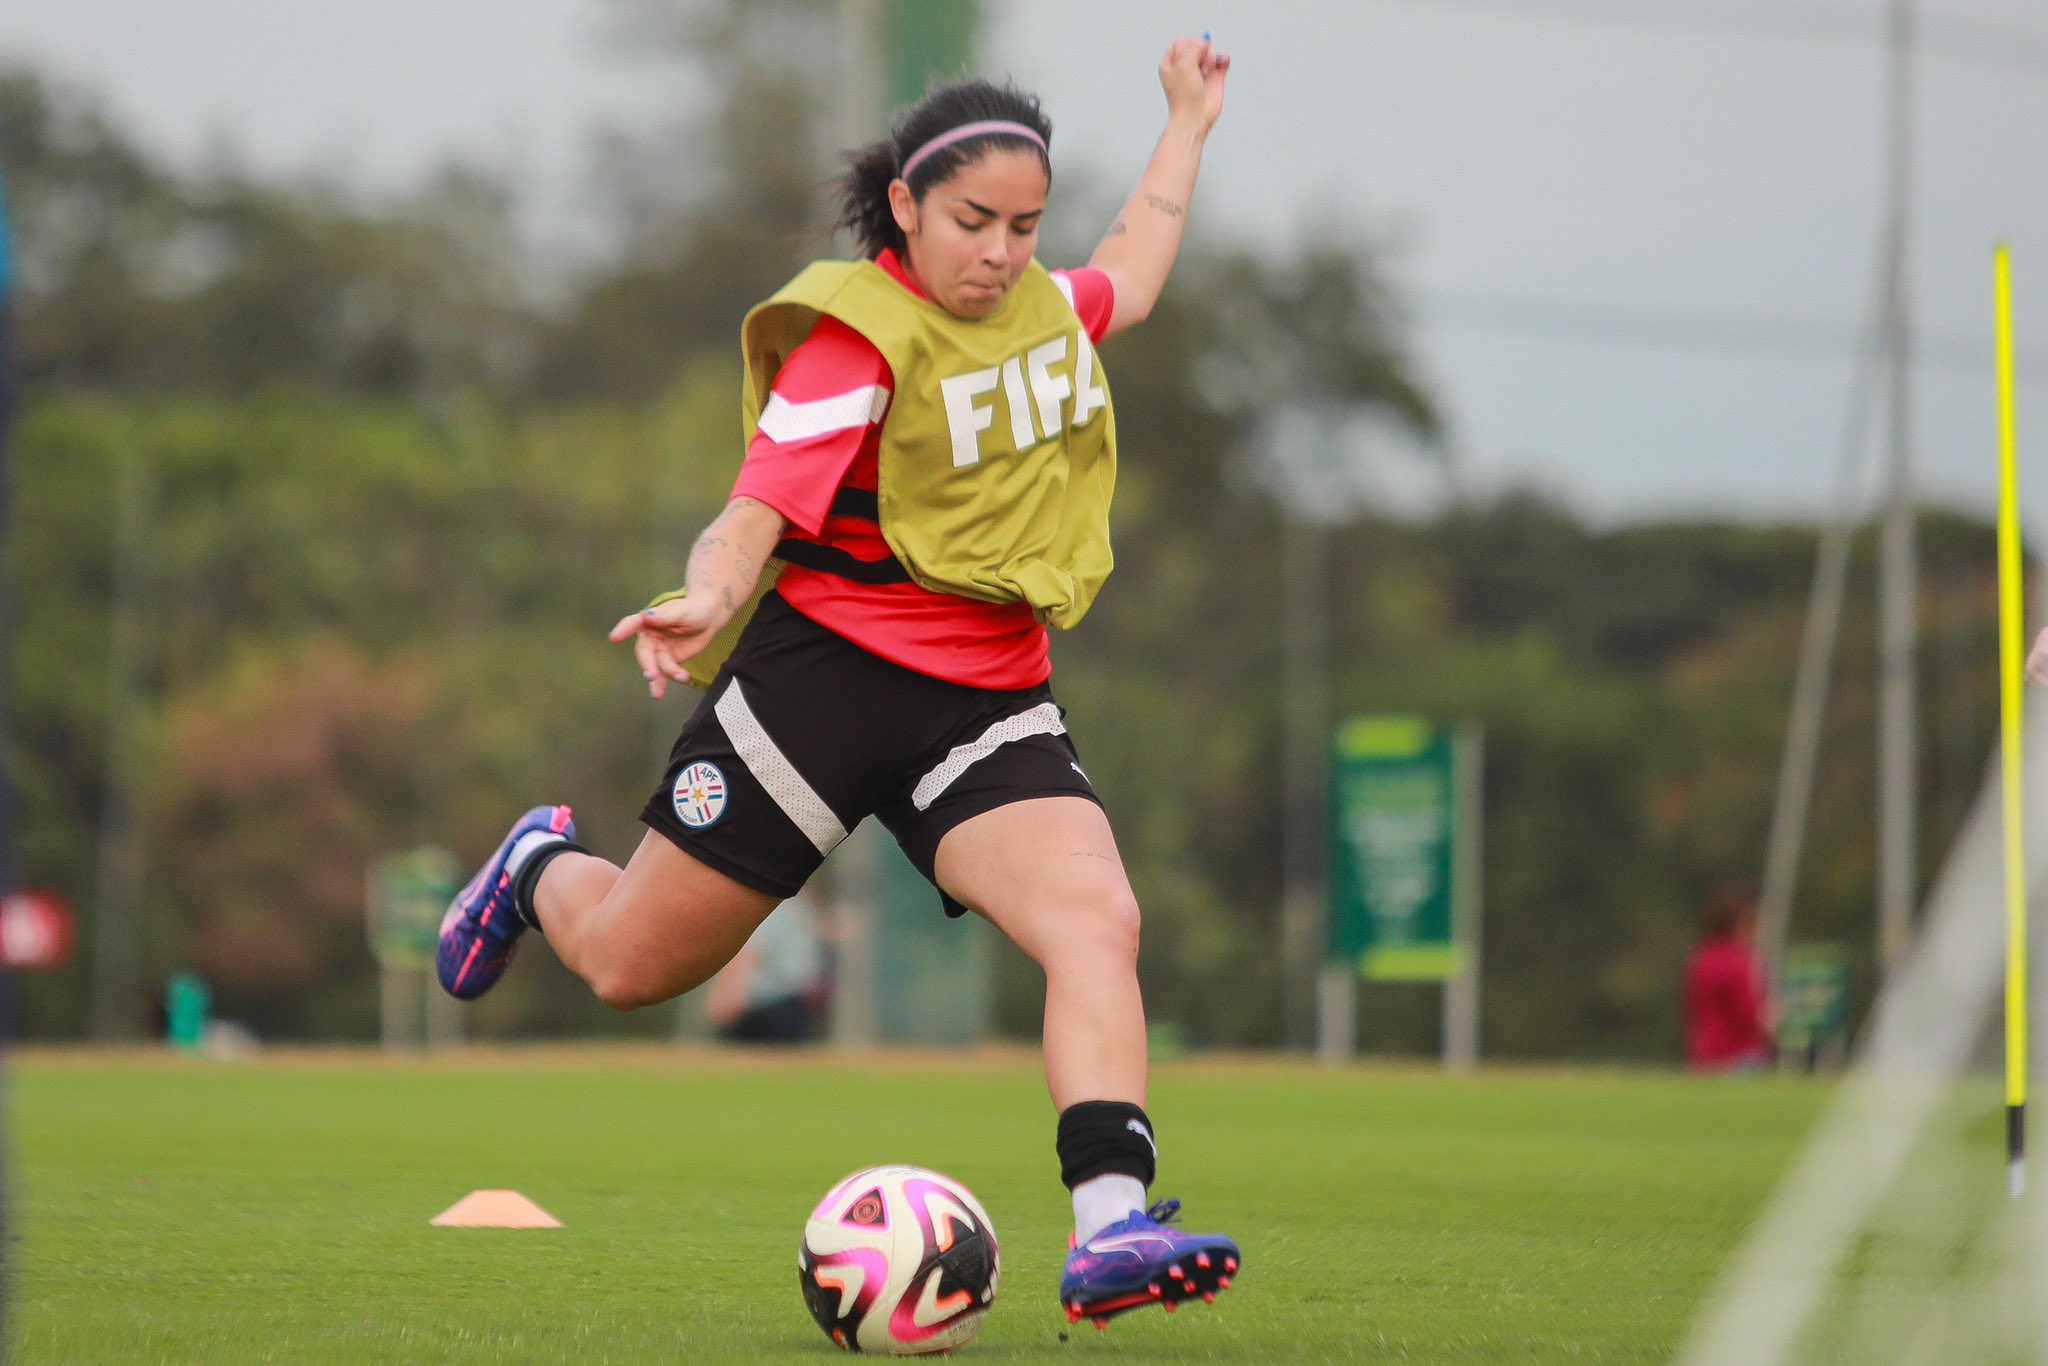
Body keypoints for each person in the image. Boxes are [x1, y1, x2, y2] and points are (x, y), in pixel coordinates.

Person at [436, 37, 1240, 1327]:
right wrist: (705, 593)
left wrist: (1186, 124)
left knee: (1099, 922)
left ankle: (1107, 1231)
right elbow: (756, 510)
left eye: (1025, 226)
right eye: (973, 221)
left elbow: (1131, 274)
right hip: (819, 691)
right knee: (632, 968)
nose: (1000, 252)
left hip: (984, 698)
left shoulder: (1040, 304)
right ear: (908, 207)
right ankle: (536, 868)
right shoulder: (853, 341)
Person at [703, 897, 829, 1044]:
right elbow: (750, 954)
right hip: (768, 1007)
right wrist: (730, 995)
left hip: (791, 1002)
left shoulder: (794, 904)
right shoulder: (774, 904)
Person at [1684, 886, 1772, 1073]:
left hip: (1704, 1054)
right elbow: (1749, 1013)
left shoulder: (1702, 957)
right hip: (1739, 1057)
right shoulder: (1741, 961)